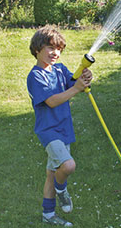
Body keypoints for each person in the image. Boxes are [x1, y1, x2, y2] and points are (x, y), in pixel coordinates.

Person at [27, 26, 92, 226]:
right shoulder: (35, 76)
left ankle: (48, 215)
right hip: (49, 131)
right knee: (68, 165)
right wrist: (77, 89)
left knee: (51, 173)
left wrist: (83, 79)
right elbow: (52, 101)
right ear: (37, 49)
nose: (55, 53)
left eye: (58, 49)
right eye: (50, 48)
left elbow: (73, 84)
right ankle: (62, 190)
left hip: (64, 129)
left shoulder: (60, 70)